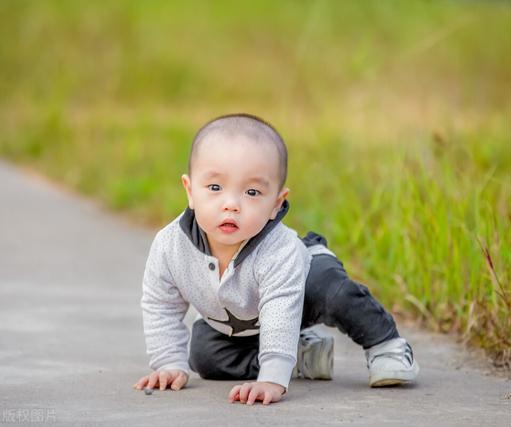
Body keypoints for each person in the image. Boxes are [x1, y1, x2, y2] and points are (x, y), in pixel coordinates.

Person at [133, 113, 419, 405]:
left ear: (276, 204)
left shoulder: (279, 250)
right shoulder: (170, 246)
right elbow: (160, 303)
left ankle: (386, 345)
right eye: (215, 188)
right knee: (205, 357)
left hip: (304, 281)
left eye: (252, 192)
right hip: (242, 319)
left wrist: (271, 379)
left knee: (333, 291)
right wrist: (168, 362)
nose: (231, 204)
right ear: (190, 191)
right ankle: (299, 354)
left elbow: (281, 310)